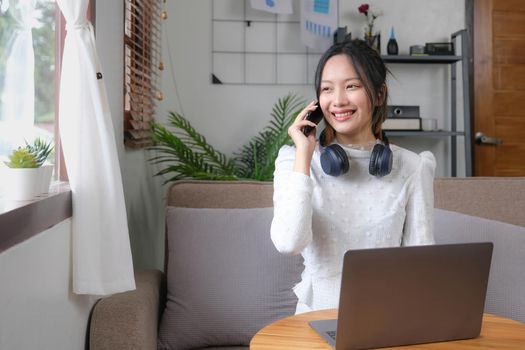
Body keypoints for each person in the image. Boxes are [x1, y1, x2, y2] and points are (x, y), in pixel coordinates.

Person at [270, 39, 436, 314]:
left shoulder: (412, 167)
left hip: (387, 319)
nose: (338, 101)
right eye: (327, 89)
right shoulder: (295, 160)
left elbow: (421, 264)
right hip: (315, 319)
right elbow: (289, 242)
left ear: (379, 94)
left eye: (352, 86)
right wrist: (304, 154)